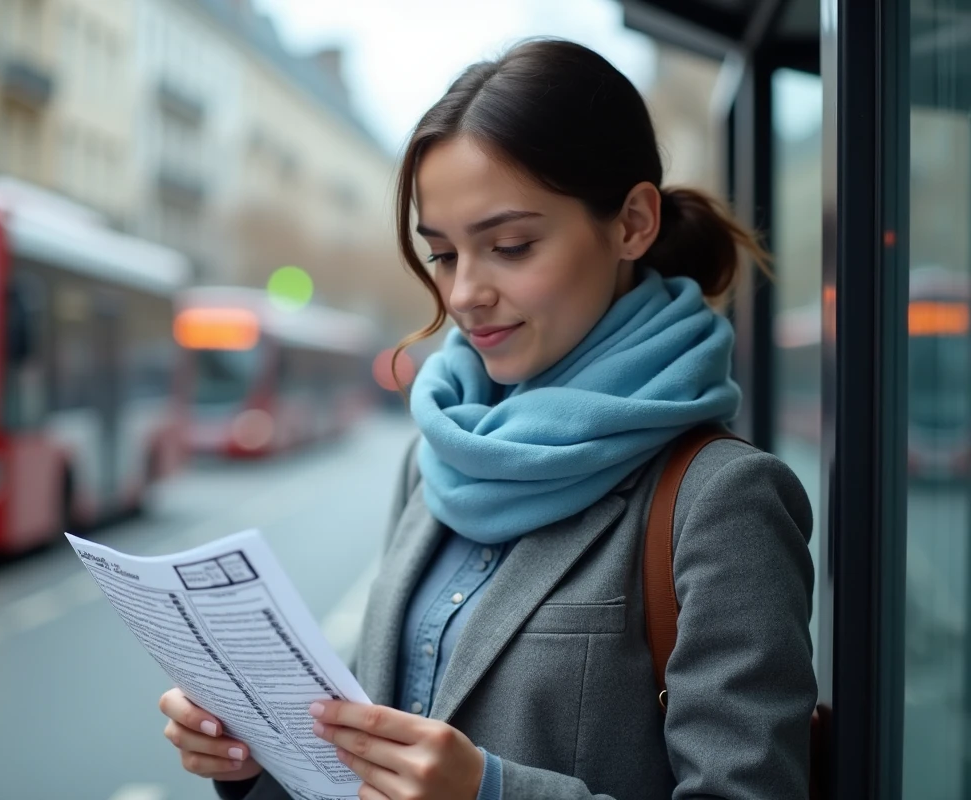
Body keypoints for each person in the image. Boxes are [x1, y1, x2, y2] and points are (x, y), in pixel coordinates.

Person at [159, 37, 816, 799]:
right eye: (442, 254)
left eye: (509, 245)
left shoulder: (722, 499)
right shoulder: (436, 453)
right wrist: (260, 760)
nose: (464, 293)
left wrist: (492, 792)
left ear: (633, 222)